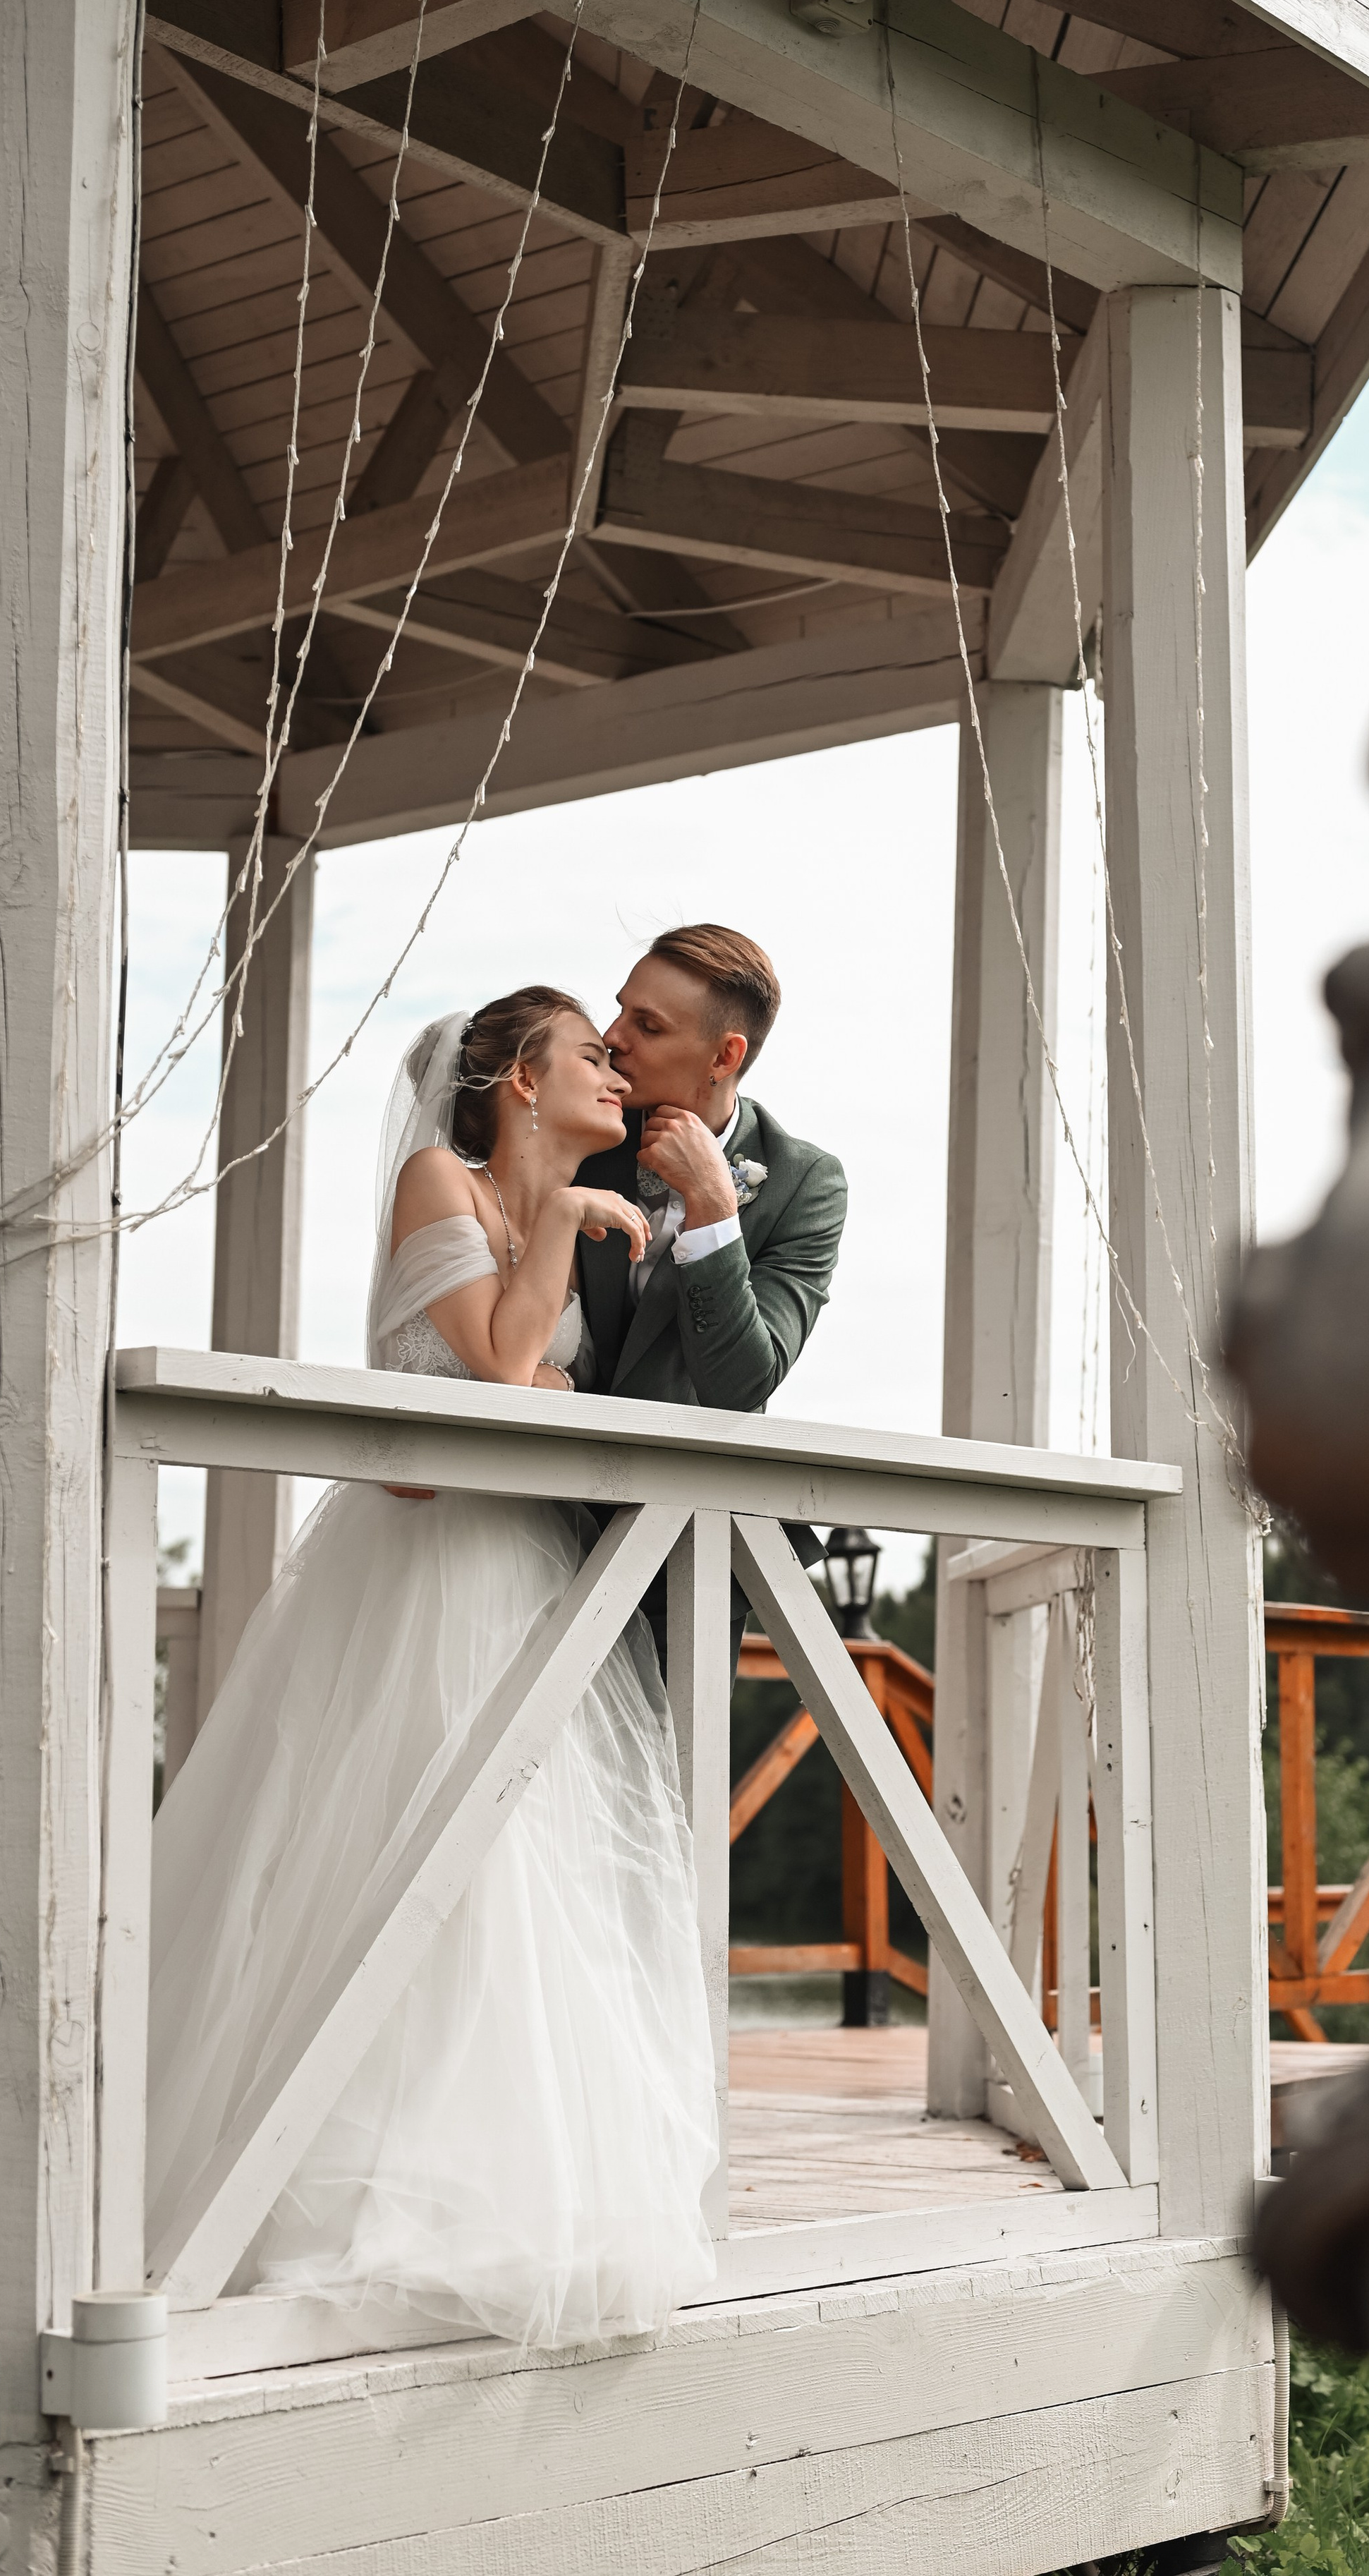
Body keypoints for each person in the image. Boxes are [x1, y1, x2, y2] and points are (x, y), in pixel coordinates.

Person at [147, 990, 719, 2350]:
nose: (616, 1074)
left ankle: (505, 2177)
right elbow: (506, 1360)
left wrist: (550, 1326)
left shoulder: (560, 1214)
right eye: (591, 1055)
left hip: (528, 1563)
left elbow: (541, 1385)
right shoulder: (438, 1178)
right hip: (424, 1570)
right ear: (520, 1078)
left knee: (527, 1868)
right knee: (400, 1839)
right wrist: (563, 1233)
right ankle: (315, 2179)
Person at [573, 923, 848, 1657]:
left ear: (725, 1056)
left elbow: (741, 1383)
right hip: (534, 1526)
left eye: (648, 1025)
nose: (612, 1037)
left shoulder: (805, 1183)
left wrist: (713, 1206)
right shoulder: (578, 1136)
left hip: (690, 1556)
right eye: (620, 1010)